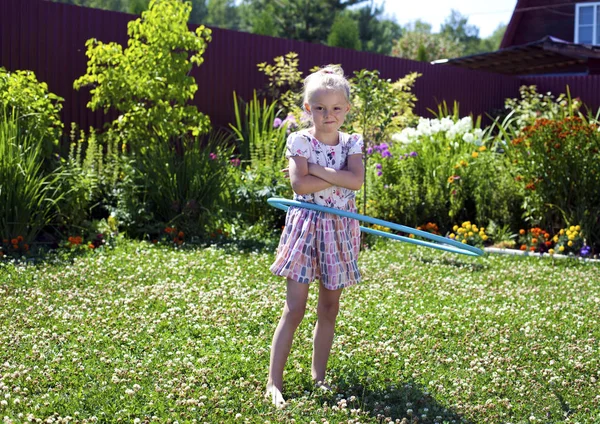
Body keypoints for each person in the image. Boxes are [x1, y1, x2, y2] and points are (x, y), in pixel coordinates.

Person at [266, 65, 364, 408]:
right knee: (295, 307)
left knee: (330, 305)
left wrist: (321, 171)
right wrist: (338, 175)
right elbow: (299, 184)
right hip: (306, 227)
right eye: (320, 108)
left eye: (337, 108)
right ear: (308, 109)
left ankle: (318, 376)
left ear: (347, 110)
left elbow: (356, 182)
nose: (329, 115)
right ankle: (273, 382)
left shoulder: (352, 142)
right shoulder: (300, 141)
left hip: (338, 229)